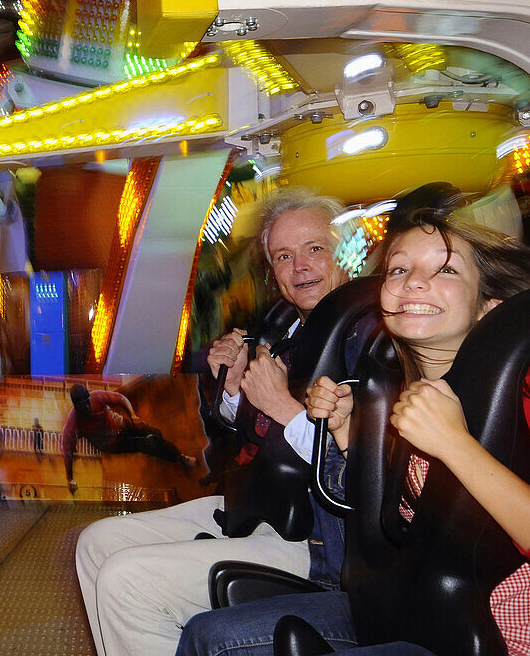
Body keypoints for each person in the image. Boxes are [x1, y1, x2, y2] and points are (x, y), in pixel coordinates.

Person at [176, 210, 530, 655]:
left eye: (445, 270)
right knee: (206, 635)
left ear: (491, 308)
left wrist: (454, 444)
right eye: (400, 269)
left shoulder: (520, 389)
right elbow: (386, 513)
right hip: (401, 602)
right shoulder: (390, 381)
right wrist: (344, 435)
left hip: (491, 630)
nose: (414, 282)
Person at [76, 188, 349, 655]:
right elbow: (252, 426)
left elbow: (364, 474)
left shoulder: (371, 334)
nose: (299, 266)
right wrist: (233, 387)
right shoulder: (289, 328)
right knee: (96, 543)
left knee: (127, 581)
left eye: (315, 249)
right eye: (284, 256)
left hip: (314, 541)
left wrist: (282, 406)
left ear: (348, 253)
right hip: (257, 508)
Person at [62, 384, 198, 493]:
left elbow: (121, 398)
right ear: (76, 406)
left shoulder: (97, 396)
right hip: (113, 443)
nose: (87, 408)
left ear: (89, 399)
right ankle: (180, 457)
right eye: (82, 406)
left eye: (88, 403)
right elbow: (67, 453)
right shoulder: (72, 423)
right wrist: (70, 480)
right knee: (148, 443)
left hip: (120, 424)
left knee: (152, 431)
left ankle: (162, 447)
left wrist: (132, 415)